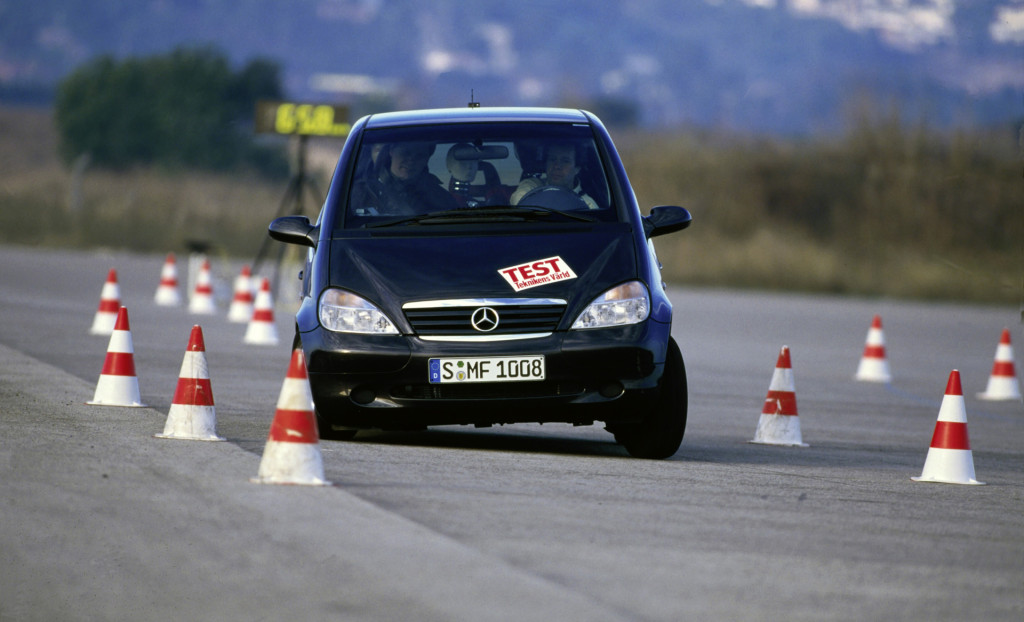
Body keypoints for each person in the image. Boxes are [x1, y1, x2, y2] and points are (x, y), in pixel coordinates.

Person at [350, 142, 456, 215]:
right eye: (406, 152)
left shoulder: (440, 197)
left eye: (419, 155)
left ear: (426, 159)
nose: (411, 160)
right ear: (391, 151)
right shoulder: (359, 193)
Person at [510, 142, 599, 210]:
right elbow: (519, 201)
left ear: (577, 168)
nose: (556, 166)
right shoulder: (532, 185)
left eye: (565, 161)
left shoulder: (587, 205)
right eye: (552, 159)